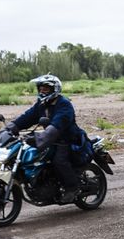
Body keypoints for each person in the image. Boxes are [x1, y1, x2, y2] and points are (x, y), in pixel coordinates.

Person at [6, 74, 84, 202]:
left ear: (55, 89)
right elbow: (27, 117)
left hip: (66, 139)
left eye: (46, 89)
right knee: (32, 158)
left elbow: (57, 125)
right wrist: (9, 128)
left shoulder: (64, 104)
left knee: (59, 161)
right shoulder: (41, 104)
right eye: (40, 88)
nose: (42, 91)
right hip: (50, 139)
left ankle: (72, 188)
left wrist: (39, 137)